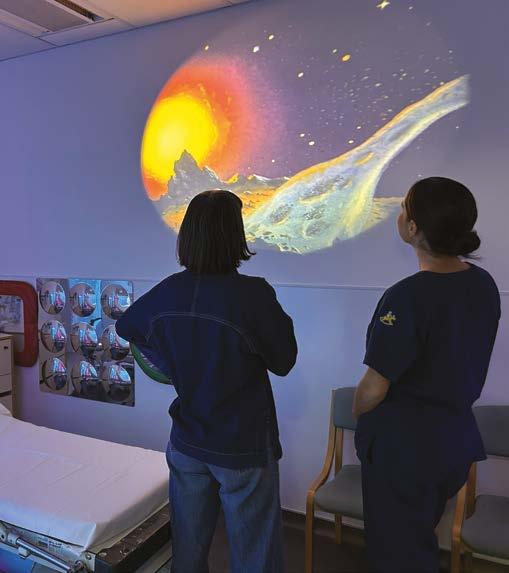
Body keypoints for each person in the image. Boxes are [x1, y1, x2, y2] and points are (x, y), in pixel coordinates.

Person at [116, 190, 297, 573]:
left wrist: (170, 367)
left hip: (187, 440)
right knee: (255, 557)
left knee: (187, 553)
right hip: (243, 446)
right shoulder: (253, 295)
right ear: (235, 235)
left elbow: (127, 327)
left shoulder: (168, 291)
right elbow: (284, 361)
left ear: (188, 235)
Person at [353, 177, 501, 572]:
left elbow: (373, 387)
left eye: (404, 208)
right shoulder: (483, 284)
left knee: (398, 554)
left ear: (414, 227)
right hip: (453, 443)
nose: (399, 214)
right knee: (418, 542)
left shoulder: (406, 297)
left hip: (405, 452)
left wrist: (359, 412)